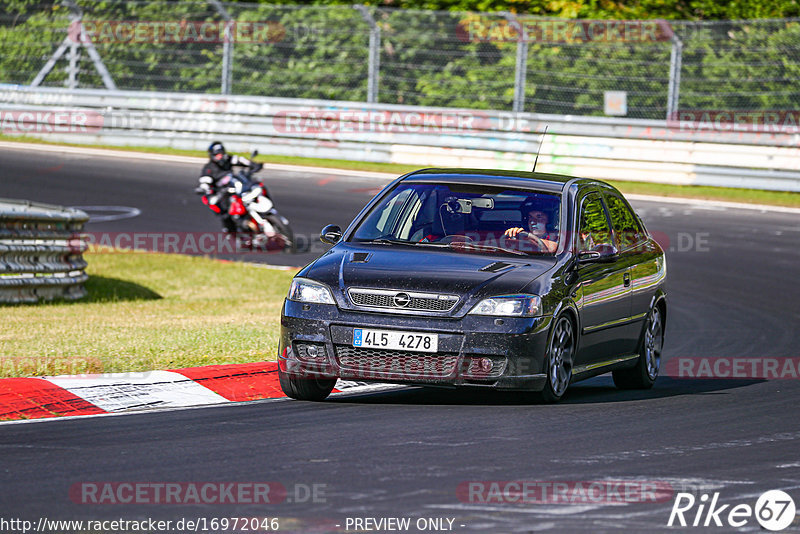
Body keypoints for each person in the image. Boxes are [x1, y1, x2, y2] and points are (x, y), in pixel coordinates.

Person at [196, 141, 253, 233]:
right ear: (212, 155)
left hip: (237, 187)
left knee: (257, 186)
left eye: (221, 154)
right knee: (225, 212)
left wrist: (252, 165)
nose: (219, 156)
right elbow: (205, 180)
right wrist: (204, 188)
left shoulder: (228, 159)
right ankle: (232, 229)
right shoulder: (209, 168)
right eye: (217, 155)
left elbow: (241, 161)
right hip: (222, 193)